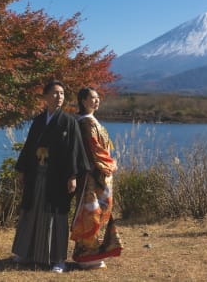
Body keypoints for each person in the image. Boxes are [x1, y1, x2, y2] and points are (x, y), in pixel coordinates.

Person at [11, 80, 89, 273]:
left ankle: (58, 259)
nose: (59, 97)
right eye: (55, 93)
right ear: (45, 97)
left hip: (58, 176)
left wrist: (73, 176)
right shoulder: (38, 120)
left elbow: (75, 151)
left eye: (62, 93)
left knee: (57, 216)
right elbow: (29, 146)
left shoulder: (69, 121)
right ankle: (26, 253)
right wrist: (22, 170)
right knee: (32, 211)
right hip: (37, 173)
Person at [71, 87, 123, 269]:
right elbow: (94, 151)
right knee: (91, 214)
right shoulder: (85, 123)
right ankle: (89, 255)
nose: (96, 101)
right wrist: (111, 164)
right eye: (92, 98)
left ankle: (95, 254)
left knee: (100, 213)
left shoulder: (91, 121)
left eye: (98, 98)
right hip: (92, 176)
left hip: (100, 175)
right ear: (83, 101)